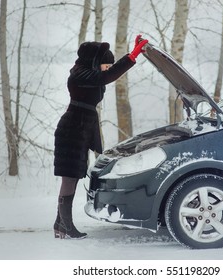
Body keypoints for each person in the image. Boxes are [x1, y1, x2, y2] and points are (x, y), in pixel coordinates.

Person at [53, 35, 148, 239]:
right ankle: (66, 227)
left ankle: (60, 224)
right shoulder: (79, 74)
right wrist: (131, 56)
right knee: (69, 178)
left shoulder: (88, 74)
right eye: (105, 65)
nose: (106, 69)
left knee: (74, 177)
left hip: (81, 130)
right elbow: (106, 77)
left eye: (108, 66)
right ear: (95, 61)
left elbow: (104, 77)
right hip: (71, 130)